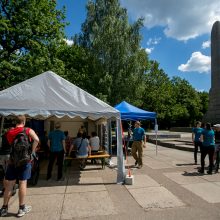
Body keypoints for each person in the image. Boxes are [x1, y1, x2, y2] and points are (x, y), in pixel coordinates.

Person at [0, 115, 39, 217]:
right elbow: (37, 140)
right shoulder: (28, 130)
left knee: (9, 185)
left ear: (15, 122)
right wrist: (32, 151)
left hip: (12, 161)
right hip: (25, 161)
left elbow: (10, 145)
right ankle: (21, 208)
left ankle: (4, 208)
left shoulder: (9, 132)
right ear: (24, 121)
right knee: (22, 183)